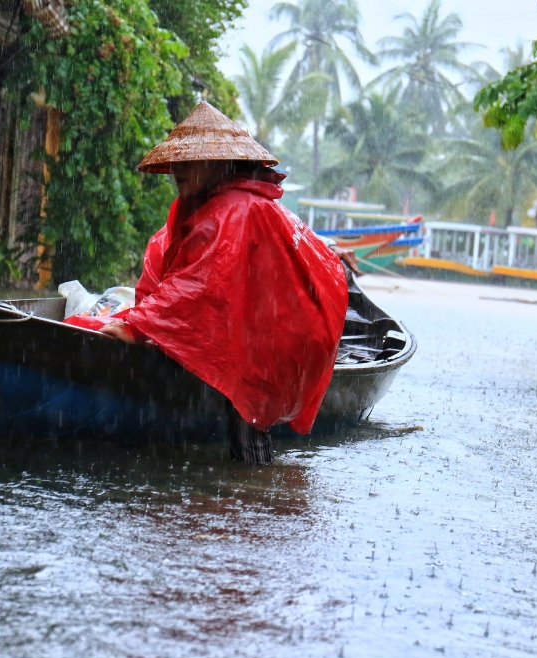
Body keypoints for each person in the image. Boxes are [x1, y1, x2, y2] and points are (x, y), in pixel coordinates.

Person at [100, 102, 351, 464]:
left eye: (191, 161)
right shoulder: (214, 206)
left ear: (220, 165)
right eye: (178, 161)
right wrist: (148, 323)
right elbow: (175, 275)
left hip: (277, 334)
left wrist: (139, 326)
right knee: (244, 423)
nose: (178, 170)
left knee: (247, 419)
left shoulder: (235, 209)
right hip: (271, 326)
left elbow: (198, 283)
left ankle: (253, 487)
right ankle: (254, 490)